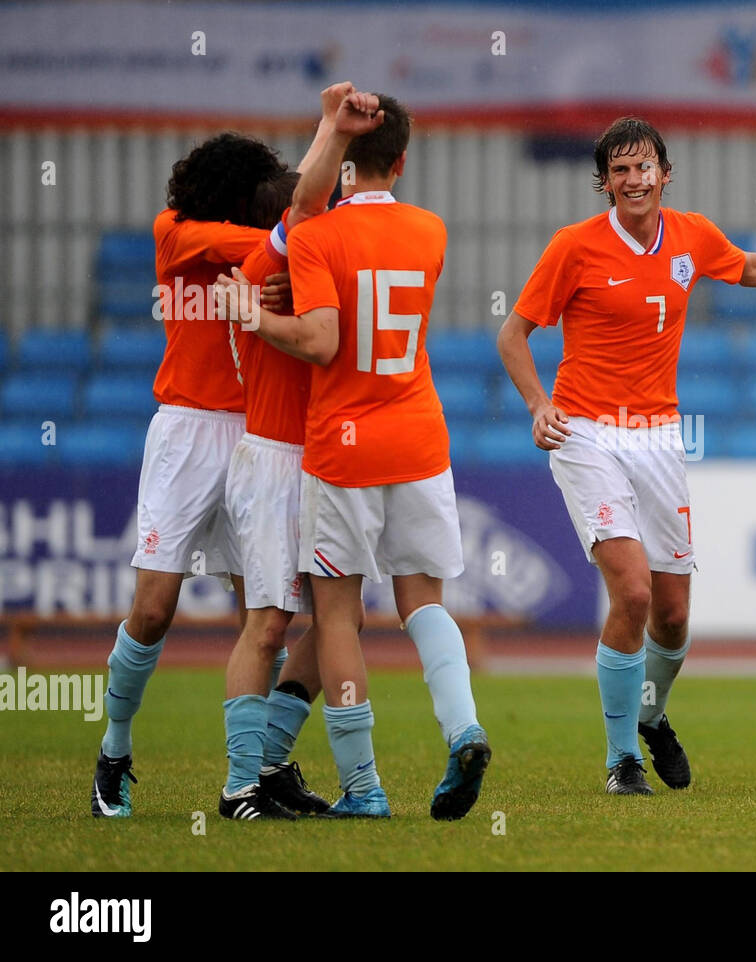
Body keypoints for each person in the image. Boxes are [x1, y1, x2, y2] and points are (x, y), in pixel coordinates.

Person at [497, 116, 756, 795]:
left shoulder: (691, 235)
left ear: (665, 173)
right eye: (619, 171)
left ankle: (651, 718)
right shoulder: (574, 247)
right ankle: (622, 759)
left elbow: (750, 266)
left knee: (674, 616)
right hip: (588, 434)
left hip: (659, 437)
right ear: (604, 183)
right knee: (630, 592)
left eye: (644, 167)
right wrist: (540, 404)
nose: (633, 180)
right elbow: (513, 334)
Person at [218, 93, 490, 820]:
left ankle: (363, 788)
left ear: (343, 166)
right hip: (421, 437)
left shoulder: (314, 238)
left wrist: (258, 314)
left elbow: (322, 342)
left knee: (335, 619)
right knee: (423, 603)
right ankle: (463, 727)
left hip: (342, 446)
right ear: (401, 161)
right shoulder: (430, 230)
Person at [91, 132, 291, 818]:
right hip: (184, 432)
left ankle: (257, 774)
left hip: (256, 433)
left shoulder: (266, 251)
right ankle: (114, 751)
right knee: (153, 609)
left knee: (261, 615)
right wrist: (292, 241)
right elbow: (265, 248)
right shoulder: (174, 232)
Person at [217, 82, 375, 820]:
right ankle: (239, 784)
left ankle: (271, 763)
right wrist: (332, 131)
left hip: (324, 460)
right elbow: (311, 204)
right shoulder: (260, 271)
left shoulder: (311, 275)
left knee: (344, 620)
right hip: (274, 460)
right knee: (270, 621)